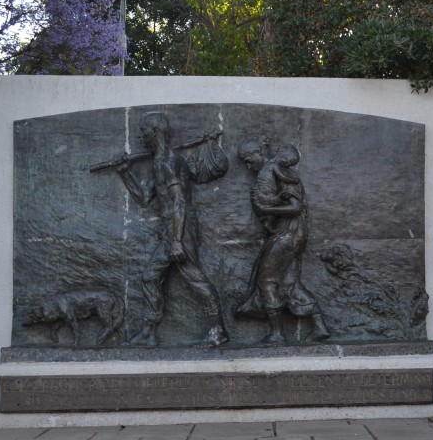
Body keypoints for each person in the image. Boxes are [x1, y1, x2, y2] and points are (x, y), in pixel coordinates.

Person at [116, 112, 229, 346]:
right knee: (150, 276)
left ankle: (219, 330)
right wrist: (125, 173)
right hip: (172, 228)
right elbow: (146, 198)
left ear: (155, 132)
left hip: (180, 226)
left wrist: (177, 240)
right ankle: (149, 333)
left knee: (194, 278)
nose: (141, 137)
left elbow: (180, 201)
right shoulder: (159, 161)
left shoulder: (169, 161)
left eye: (144, 132)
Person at [236, 139, 330, 344]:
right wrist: (269, 219)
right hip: (288, 232)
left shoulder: (279, 172)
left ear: (258, 152)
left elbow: (295, 207)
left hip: (290, 232)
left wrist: (268, 210)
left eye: (248, 158)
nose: (248, 165)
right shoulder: (272, 174)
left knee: (266, 280)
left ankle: (277, 333)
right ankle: (319, 326)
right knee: (289, 282)